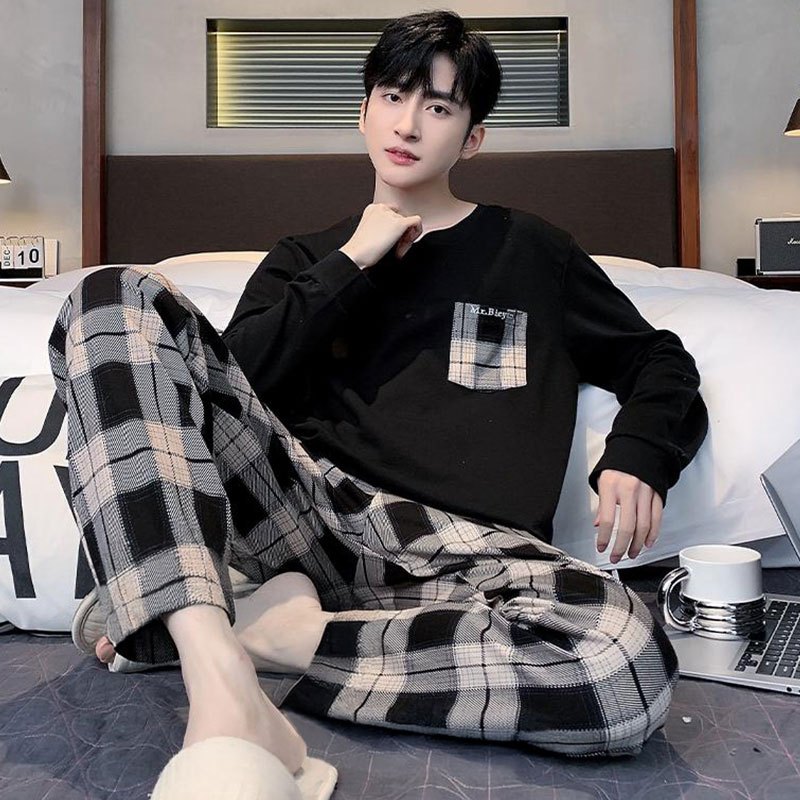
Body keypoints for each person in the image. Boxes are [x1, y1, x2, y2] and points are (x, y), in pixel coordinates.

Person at [48, 8, 708, 794]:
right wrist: (351, 262)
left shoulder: (532, 252)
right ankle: (215, 669)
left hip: (471, 559)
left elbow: (658, 360)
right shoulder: (304, 259)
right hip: (305, 521)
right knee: (110, 297)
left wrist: (640, 452)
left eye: (439, 106)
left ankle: (263, 635)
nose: (408, 124)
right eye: (393, 96)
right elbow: (232, 383)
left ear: (471, 139)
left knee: (625, 664)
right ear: (363, 110)